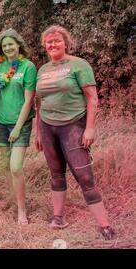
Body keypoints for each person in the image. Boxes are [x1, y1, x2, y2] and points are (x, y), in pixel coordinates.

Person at [35, 25, 115, 239]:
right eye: (49, 42)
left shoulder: (79, 65)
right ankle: (58, 217)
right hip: (47, 126)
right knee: (56, 173)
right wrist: (38, 131)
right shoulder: (43, 70)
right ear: (45, 45)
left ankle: (105, 225)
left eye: (57, 41)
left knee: (84, 176)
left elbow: (92, 98)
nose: (53, 44)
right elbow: (39, 102)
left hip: (73, 125)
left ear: (66, 43)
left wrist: (89, 129)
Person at [0, 29, 37, 224]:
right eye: (4, 45)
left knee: (16, 167)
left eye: (11, 44)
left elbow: (29, 101)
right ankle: (13, 199)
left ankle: (22, 209)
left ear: (18, 45)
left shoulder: (28, 67)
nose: (8, 47)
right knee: (6, 165)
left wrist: (18, 127)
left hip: (20, 123)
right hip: (0, 121)